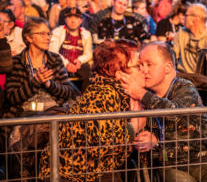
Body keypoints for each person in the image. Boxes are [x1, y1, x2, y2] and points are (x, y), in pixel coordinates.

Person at [118, 41, 207, 182]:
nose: (143, 70)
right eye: (140, 65)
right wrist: (153, 140)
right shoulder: (146, 97)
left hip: (205, 161)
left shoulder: (184, 87)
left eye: (149, 64)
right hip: (170, 165)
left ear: (168, 67)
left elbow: (175, 112)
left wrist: (141, 93)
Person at [39, 39, 146, 182]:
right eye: (137, 66)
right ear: (119, 74)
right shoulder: (105, 94)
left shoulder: (114, 91)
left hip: (83, 174)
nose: (143, 70)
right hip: (68, 176)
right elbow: (100, 146)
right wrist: (134, 127)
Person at [4, 17, 77, 119]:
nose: (47, 38)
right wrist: (35, 82)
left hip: (53, 114)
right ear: (29, 38)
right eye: (42, 34)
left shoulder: (55, 59)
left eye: (48, 34)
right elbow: (12, 98)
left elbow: (69, 92)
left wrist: (50, 84)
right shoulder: (17, 62)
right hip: (24, 116)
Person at [49, 7, 93, 92]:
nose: (73, 21)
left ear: (81, 20)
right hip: (61, 64)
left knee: (88, 70)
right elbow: (53, 51)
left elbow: (88, 53)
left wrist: (80, 61)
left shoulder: (86, 34)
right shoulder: (57, 32)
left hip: (79, 65)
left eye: (76, 18)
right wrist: (66, 64)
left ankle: (85, 97)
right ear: (65, 19)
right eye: (70, 17)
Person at [173, 3, 207, 74]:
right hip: (181, 75)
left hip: (200, 79)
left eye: (186, 15)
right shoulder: (181, 32)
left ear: (196, 18)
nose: (184, 18)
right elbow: (173, 55)